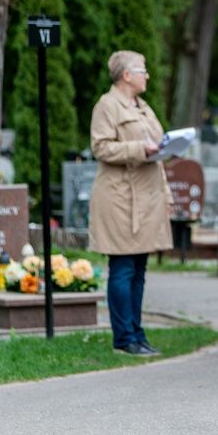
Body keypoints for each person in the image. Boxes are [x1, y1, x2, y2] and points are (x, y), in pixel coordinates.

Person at [88, 50, 173, 357]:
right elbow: (100, 147)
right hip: (120, 197)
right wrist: (141, 148)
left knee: (138, 268)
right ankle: (124, 337)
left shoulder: (143, 105)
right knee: (123, 267)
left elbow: (157, 146)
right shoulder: (107, 105)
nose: (147, 75)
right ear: (126, 75)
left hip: (147, 196)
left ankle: (137, 333)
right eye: (142, 69)